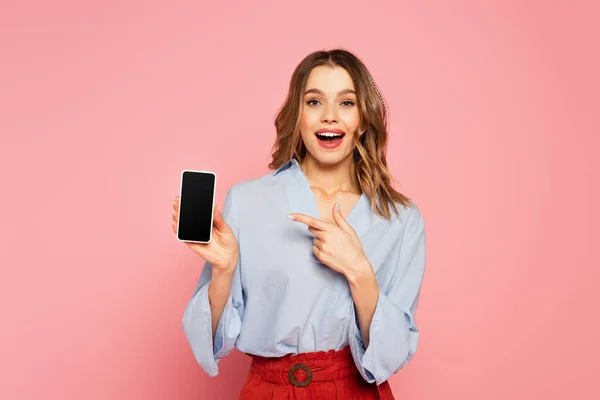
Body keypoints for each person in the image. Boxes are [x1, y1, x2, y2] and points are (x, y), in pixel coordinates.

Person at [171, 49, 426, 399]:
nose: (330, 117)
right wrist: (224, 271)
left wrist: (359, 272)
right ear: (298, 115)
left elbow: (391, 354)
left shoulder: (400, 218)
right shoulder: (247, 201)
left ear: (364, 119)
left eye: (347, 103)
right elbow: (212, 343)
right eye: (314, 102)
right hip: (269, 391)